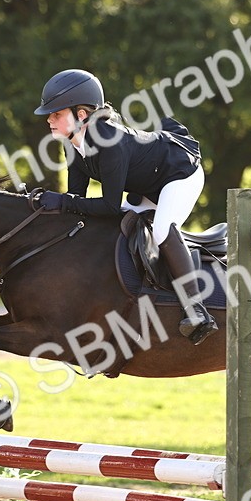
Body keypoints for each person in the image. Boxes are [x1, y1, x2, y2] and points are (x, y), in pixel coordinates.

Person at [33, 68, 218, 345]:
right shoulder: (73, 144)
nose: (49, 119)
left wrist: (61, 201)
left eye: (56, 114)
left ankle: (197, 310)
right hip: (148, 185)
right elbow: (76, 200)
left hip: (180, 174)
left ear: (81, 115)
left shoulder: (110, 142)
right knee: (120, 231)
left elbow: (108, 205)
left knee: (161, 231)